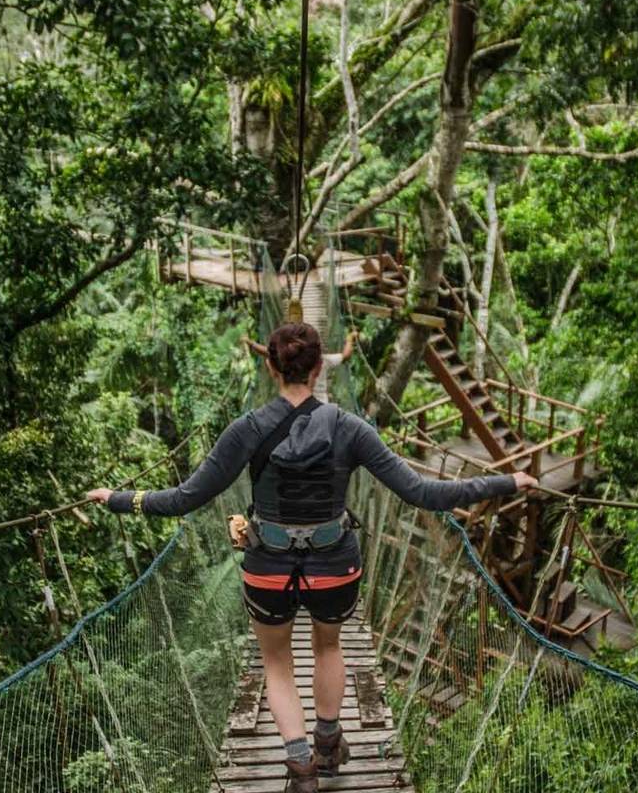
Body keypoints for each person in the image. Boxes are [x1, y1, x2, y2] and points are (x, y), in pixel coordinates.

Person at [87, 322, 535, 793]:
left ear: (270, 366)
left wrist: (119, 498)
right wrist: (505, 481)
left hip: (267, 567)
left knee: (276, 664)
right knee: (329, 645)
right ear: (320, 368)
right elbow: (422, 492)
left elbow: (184, 498)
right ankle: (328, 741)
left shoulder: (247, 429)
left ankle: (300, 767)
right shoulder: (350, 428)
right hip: (334, 565)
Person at [245, 328, 354, 403]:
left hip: (292, 405)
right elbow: (346, 355)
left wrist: (251, 343)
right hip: (321, 404)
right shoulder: (323, 359)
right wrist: (350, 339)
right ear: (318, 368)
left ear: (273, 369)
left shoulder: (287, 359)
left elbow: (271, 352)